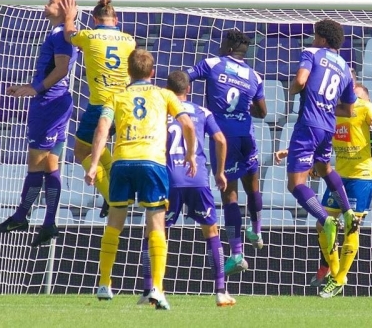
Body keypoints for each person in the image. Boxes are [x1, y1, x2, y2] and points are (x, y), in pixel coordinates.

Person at [86, 49, 197, 310]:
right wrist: (191, 155)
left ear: (128, 71)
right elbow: (189, 126)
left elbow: (102, 129)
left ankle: (104, 282)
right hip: (152, 162)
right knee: (156, 224)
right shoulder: (165, 94)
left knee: (115, 222)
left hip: (123, 161)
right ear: (152, 72)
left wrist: (93, 165)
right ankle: (157, 288)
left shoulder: (117, 96)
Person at [276, 81, 372, 298]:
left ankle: (339, 278)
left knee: (352, 227)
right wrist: (290, 150)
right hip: (337, 176)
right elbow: (320, 138)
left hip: (362, 176)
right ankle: (336, 271)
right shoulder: (331, 110)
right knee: (322, 225)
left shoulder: (365, 108)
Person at [137, 70, 234, 307]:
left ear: (167, 90)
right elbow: (221, 140)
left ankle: (150, 290)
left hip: (167, 179)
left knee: (154, 233)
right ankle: (221, 292)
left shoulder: (160, 111)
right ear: (188, 89)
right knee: (211, 232)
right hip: (197, 179)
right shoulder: (202, 112)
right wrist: (220, 172)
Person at [0, 0, 78, 247]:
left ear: (62, 9)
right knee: (52, 165)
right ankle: (49, 222)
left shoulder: (59, 35)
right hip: (57, 102)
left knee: (36, 164)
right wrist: (27, 86)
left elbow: (62, 69)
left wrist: (37, 89)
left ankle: (21, 216)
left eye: (51, 2)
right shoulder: (62, 33)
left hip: (48, 105)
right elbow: (54, 71)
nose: (45, 5)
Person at [311, 79, 372, 297]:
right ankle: (328, 267)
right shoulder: (343, 116)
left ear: (368, 102)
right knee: (329, 222)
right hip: (353, 177)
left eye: (359, 100)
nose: (353, 105)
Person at [186, 29, 267, 277]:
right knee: (253, 186)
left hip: (224, 137)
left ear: (229, 47)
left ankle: (237, 253)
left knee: (229, 194)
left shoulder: (212, 63)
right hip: (246, 135)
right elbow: (262, 111)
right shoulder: (255, 76)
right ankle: (257, 230)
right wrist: (242, 107)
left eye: (222, 44)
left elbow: (184, 77)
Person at [59, 0, 136, 218]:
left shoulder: (88, 37)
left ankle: (115, 199)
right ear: (116, 19)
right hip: (124, 104)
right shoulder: (129, 40)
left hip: (101, 105)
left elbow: (68, 35)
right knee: (100, 147)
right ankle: (118, 190)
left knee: (82, 150)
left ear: (94, 19)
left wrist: (69, 18)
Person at [286, 19, 357, 257]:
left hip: (308, 125)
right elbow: (348, 110)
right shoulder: (346, 68)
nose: (312, 40)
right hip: (328, 127)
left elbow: (300, 80)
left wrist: (292, 90)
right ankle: (347, 212)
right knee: (325, 168)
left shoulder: (312, 53)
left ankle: (325, 219)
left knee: (296, 184)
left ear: (323, 40)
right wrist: (326, 106)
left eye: (315, 36)